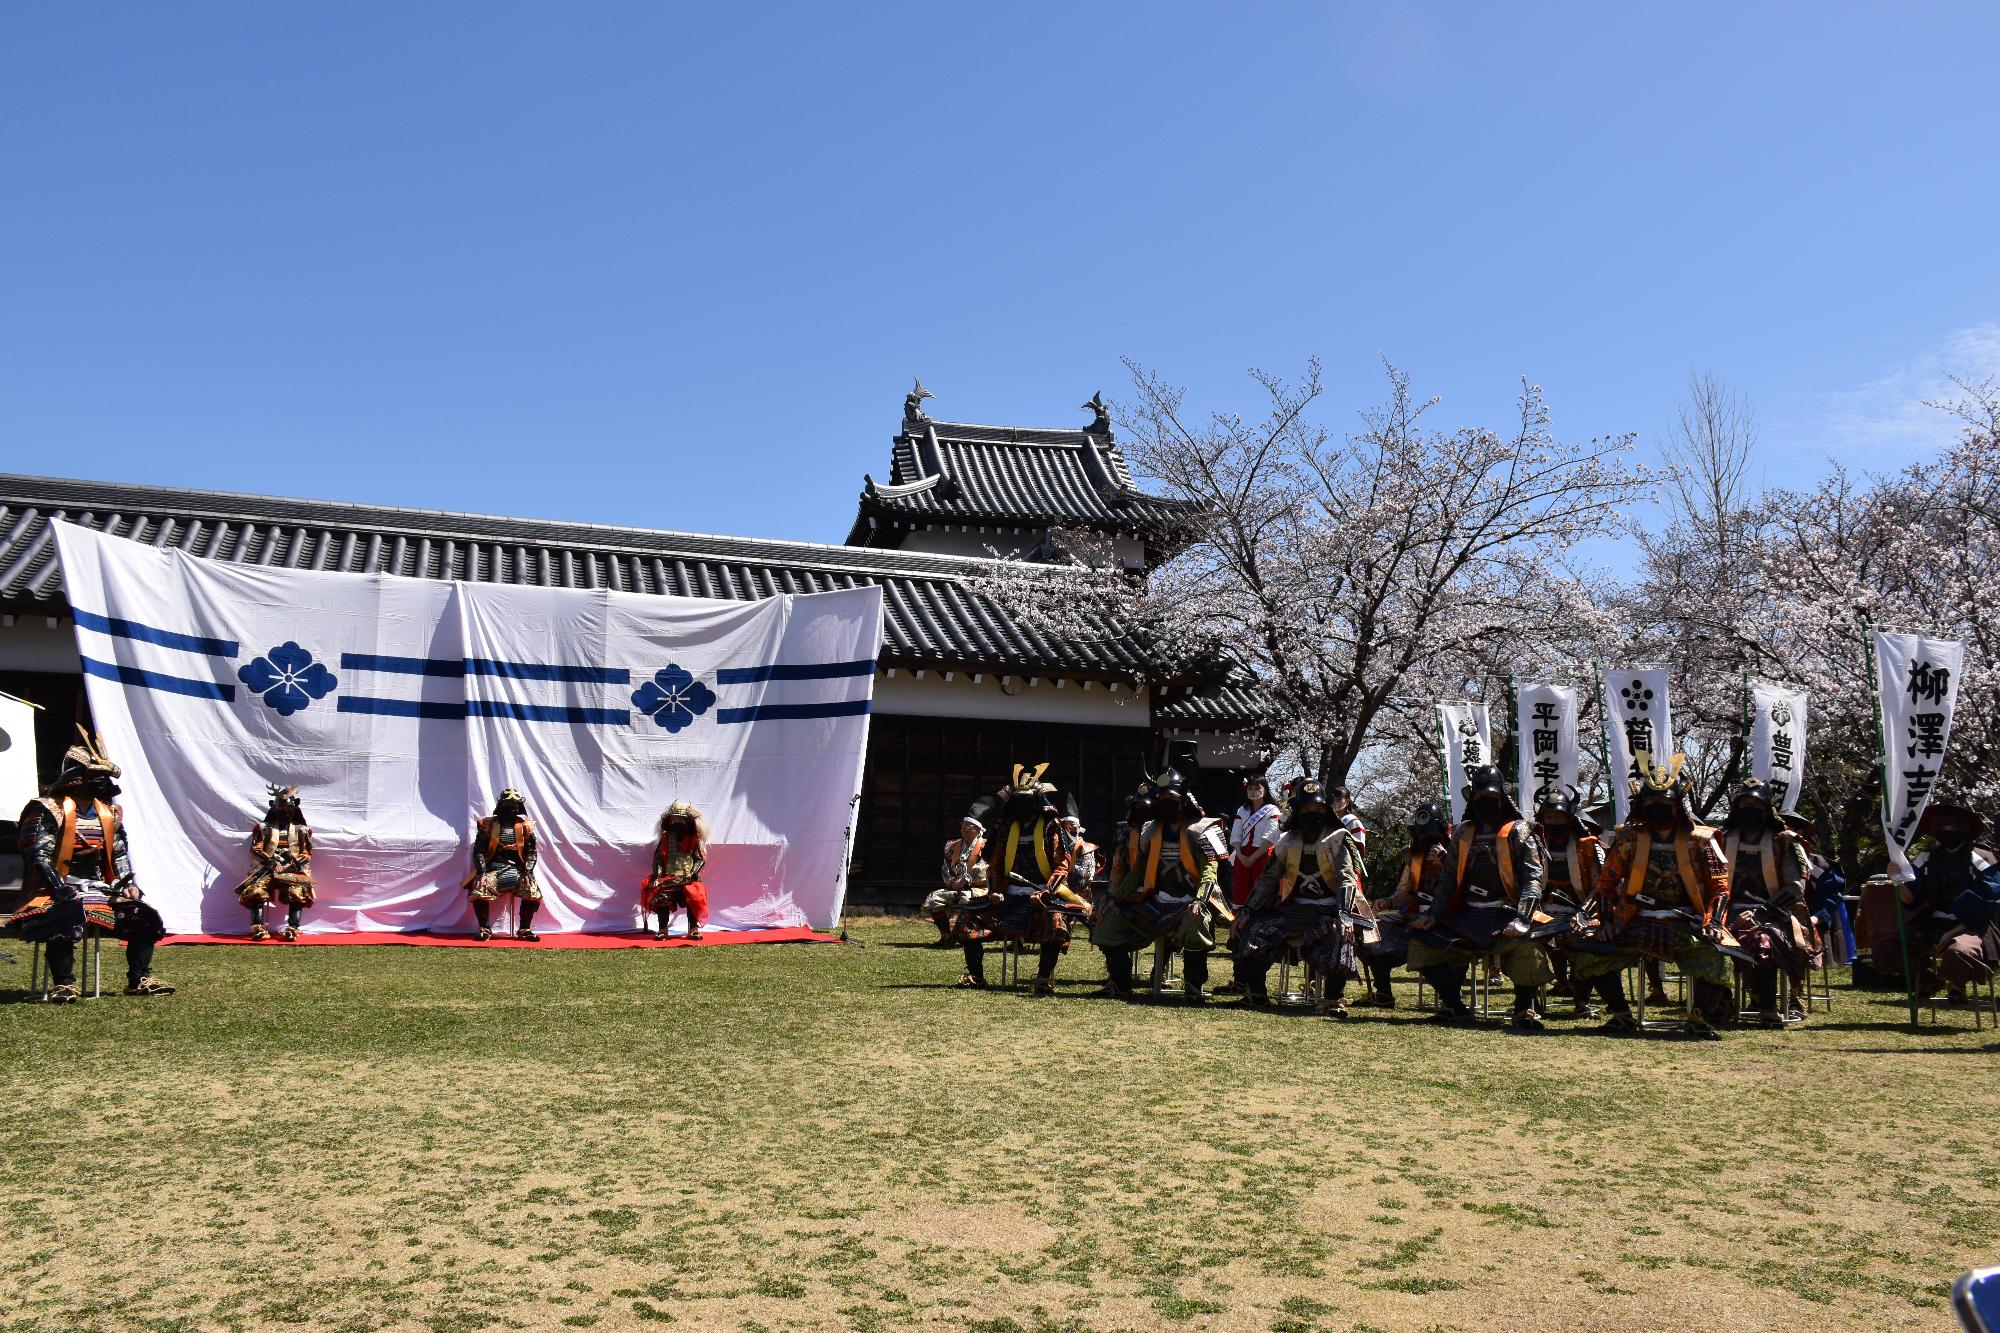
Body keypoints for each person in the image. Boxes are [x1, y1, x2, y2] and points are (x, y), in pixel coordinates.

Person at [1573, 753, 1732, 1038]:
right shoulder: (1628, 839)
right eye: (1651, 803)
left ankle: (1698, 1017)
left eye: (1665, 804)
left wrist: (1715, 923)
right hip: (1635, 920)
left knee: (1718, 957)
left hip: (1686, 922)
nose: (1658, 809)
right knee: (1589, 953)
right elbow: (1606, 885)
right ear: (1642, 806)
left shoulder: (1702, 840)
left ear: (1677, 804)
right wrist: (1604, 921)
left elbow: (1720, 888)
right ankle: (1621, 1014)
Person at [7, 730, 173, 1000]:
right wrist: (59, 888)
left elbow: (118, 854)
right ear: (76, 777)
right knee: (65, 918)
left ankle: (139, 978)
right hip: (52, 888)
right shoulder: (47, 808)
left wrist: (127, 884)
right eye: (97, 776)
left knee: (143, 916)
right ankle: (64, 983)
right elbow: (38, 854)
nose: (103, 782)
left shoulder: (108, 812)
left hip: (99, 886)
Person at [1405, 765, 1552, 1029]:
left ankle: (1522, 1009)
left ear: (1502, 798)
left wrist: (1523, 917)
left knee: (1529, 946)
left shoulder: (1519, 831)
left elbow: (1534, 878)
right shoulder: (1463, 833)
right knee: (1421, 942)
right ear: (1472, 798)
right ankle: (1454, 1005)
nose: (1485, 802)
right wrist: (1433, 914)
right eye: (1480, 797)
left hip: (1507, 912)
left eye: (1491, 797)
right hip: (1468, 913)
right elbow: (1448, 880)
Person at [1094, 765, 1230, 1003]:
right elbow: (1138, 872)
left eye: (1172, 798)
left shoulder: (1204, 829)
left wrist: (1199, 900)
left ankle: (1193, 986)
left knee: (1195, 921)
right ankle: (1121, 984)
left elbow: (1211, 870)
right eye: (1163, 799)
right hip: (1156, 903)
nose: (1167, 803)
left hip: (1191, 902)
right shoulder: (1150, 830)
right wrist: (1114, 898)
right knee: (1110, 920)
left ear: (1184, 800)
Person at [1232, 777, 1367, 1016]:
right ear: (1297, 811)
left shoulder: (1338, 839)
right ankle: (1257, 994)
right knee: (1254, 929)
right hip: (1294, 910)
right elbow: (1267, 881)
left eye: (1316, 808)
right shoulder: (1287, 841)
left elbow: (1347, 878)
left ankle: (1333, 999)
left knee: (1341, 936)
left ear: (1325, 810)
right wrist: (1248, 911)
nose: (1311, 813)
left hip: (1331, 911)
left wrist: (1344, 914)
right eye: (1305, 809)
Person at [953, 763, 1085, 997]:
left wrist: (1046, 893)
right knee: (968, 918)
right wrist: (994, 890)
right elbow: (995, 865)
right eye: (1018, 799)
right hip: (1008, 895)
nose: (1022, 805)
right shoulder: (1005, 828)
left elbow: (1061, 865)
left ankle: (1044, 979)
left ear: (1036, 801)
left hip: (1041, 896)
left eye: (1027, 799)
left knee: (1055, 923)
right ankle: (976, 975)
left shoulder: (1050, 827)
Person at [1877, 803, 2000, 1001]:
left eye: (1952, 827)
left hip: (1972, 926)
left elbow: (1986, 901)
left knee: (1958, 952)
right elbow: (1912, 899)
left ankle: (1956, 982)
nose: (1947, 831)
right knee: (1886, 950)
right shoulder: (1926, 858)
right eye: (1942, 827)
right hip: (1932, 923)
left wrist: (1951, 934)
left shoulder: (1980, 858)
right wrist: (1897, 880)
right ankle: (1927, 979)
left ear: (1964, 828)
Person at [1719, 781, 1813, 1026]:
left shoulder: (1785, 841)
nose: (1750, 808)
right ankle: (1716, 1003)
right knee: (1706, 941)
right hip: (1724, 911)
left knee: (1764, 942)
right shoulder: (1721, 840)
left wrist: (1763, 911)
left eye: (1756, 804)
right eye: (1744, 804)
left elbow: (1795, 886)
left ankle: (1768, 1007)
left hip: (1773, 912)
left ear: (1767, 808)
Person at [1357, 804, 1450, 1008]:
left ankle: (1451, 1000)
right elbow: (1406, 893)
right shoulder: (1413, 855)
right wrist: (1388, 902)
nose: (1428, 842)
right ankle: (1383, 993)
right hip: (1414, 915)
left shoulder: (1456, 852)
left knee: (1429, 943)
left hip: (1448, 917)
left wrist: (1445, 860)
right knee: (1369, 932)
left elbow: (1462, 884)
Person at [1531, 785, 1605, 1017]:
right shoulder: (1533, 844)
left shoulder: (1588, 846)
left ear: (1570, 816)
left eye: (1559, 816)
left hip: (1581, 910)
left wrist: (1584, 913)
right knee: (1530, 939)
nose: (1554, 821)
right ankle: (1536, 997)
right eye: (1549, 816)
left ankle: (1581, 999)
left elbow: (1599, 887)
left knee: (1583, 943)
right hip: (1542, 909)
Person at [235, 784, 315, 941]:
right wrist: (271, 861)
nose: (285, 814)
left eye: (289, 811)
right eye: (282, 810)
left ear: (295, 809)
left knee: (297, 891)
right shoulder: (264, 828)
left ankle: (293, 927)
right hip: (267, 868)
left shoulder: (302, 830)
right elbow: (256, 848)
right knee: (256, 889)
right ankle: (257, 927)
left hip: (293, 869)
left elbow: (306, 853)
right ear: (274, 808)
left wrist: (291, 864)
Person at [465, 788, 542, 942]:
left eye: (514, 806)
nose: (511, 809)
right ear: (500, 806)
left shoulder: (525, 826)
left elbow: (532, 852)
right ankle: (485, 928)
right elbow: (479, 851)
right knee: (480, 888)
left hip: (518, 870)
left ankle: (524, 929)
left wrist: (528, 871)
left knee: (533, 890)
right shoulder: (488, 825)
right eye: (507, 806)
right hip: (493, 869)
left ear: (519, 808)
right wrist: (481, 872)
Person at [642, 801, 710, 941]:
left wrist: (694, 872)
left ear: (688, 821)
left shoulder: (694, 839)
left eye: (681, 819)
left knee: (695, 897)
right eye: (675, 819)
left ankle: (693, 929)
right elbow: (658, 859)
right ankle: (662, 929)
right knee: (661, 898)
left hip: (688, 878)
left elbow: (700, 859)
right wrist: (657, 876)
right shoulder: (666, 838)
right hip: (668, 878)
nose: (677, 822)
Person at [924, 816, 988, 945]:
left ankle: (965, 934)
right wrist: (951, 880)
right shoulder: (954, 845)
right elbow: (946, 866)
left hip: (978, 888)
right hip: (956, 887)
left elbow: (985, 866)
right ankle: (947, 936)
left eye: (967, 826)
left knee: (965, 900)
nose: (963, 829)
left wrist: (966, 879)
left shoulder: (985, 846)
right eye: (962, 826)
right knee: (933, 899)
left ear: (976, 829)